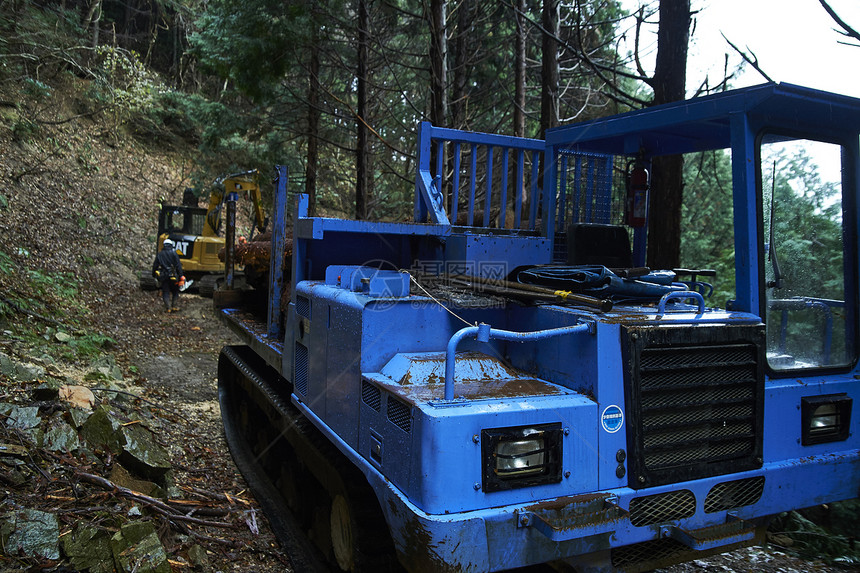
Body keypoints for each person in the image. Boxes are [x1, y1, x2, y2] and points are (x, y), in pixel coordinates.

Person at [152, 239, 185, 312]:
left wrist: (154, 274)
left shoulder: (160, 254)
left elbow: (155, 265)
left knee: (166, 292)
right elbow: (178, 265)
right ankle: (174, 306)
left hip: (164, 276)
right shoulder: (174, 253)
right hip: (173, 276)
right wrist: (181, 275)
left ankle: (168, 308)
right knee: (175, 291)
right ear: (171, 245)